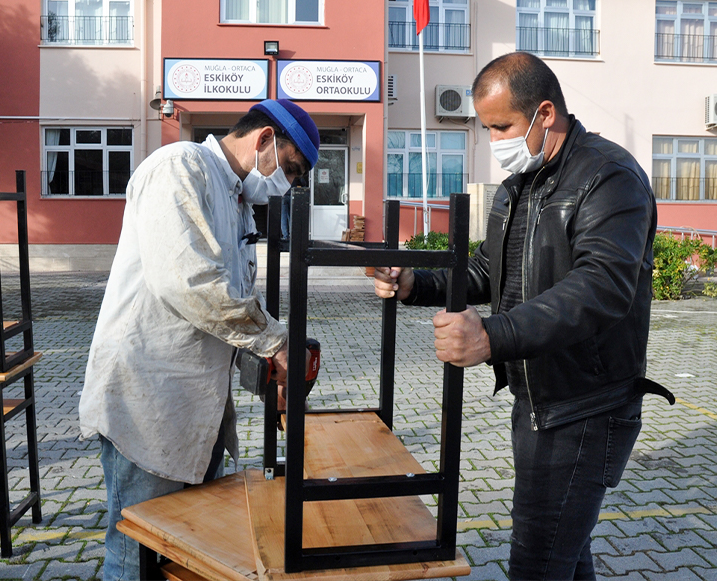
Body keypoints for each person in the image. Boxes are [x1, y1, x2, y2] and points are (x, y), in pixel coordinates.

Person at [374, 52, 673, 580]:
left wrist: (492, 335)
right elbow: (489, 270)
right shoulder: (522, 185)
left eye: (502, 127)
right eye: (487, 129)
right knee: (564, 553)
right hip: (537, 398)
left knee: (537, 561)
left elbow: (603, 286)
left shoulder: (610, 177)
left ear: (545, 113)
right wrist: (413, 283)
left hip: (586, 406)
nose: (495, 142)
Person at [79, 99, 319, 581]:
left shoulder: (234, 200)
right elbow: (191, 282)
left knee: (181, 552)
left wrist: (268, 366)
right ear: (265, 140)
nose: (288, 185)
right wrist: (275, 342)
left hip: (192, 403)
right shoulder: (180, 166)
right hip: (148, 397)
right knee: (136, 560)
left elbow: (230, 302)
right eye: (290, 170)